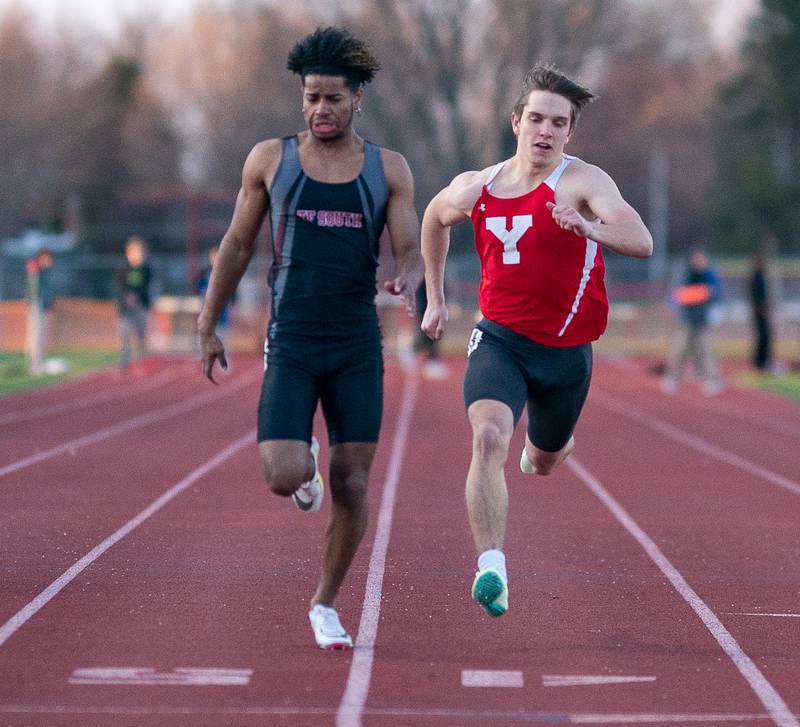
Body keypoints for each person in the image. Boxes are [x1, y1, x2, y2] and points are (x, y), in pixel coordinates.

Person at [197, 27, 421, 650]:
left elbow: (409, 250)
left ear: (358, 100)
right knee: (281, 473)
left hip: (355, 343)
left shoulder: (388, 169)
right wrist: (207, 322)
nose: (320, 110)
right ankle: (304, 471)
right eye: (311, 99)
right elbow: (238, 245)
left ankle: (324, 604)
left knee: (355, 481)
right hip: (292, 339)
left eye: (332, 99)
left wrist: (408, 276)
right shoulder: (271, 160)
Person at [420, 64, 652, 618]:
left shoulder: (585, 182)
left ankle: (546, 448)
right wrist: (435, 297)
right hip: (499, 339)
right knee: (487, 438)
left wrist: (589, 228)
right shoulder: (479, 186)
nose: (546, 131)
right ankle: (492, 567)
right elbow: (433, 215)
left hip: (567, 354)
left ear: (570, 132)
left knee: (544, 459)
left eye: (559, 123)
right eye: (537, 119)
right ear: (516, 122)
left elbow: (640, 239)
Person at [662, 249, 723, 395]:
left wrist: (695, 294)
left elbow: (713, 293)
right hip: (686, 319)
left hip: (702, 319)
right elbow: (678, 295)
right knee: (679, 350)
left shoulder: (710, 274)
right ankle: (672, 378)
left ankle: (711, 380)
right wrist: (699, 293)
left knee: (705, 350)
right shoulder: (686, 274)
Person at [117, 236, 152, 372]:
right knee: (125, 333)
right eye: (135, 251)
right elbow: (120, 287)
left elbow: (147, 286)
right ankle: (124, 361)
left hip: (141, 306)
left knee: (141, 335)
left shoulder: (146, 269)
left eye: (139, 251)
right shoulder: (123, 268)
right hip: (126, 308)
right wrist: (127, 298)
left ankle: (141, 361)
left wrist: (137, 297)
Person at [196, 246, 234, 355]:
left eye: (217, 256)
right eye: (213, 256)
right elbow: (199, 288)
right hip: (207, 311)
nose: (215, 258)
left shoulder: (227, 272)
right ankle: (204, 356)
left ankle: (224, 359)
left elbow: (232, 290)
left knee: (223, 336)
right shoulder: (204, 273)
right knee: (205, 335)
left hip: (222, 311)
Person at [750, 246, 773, 372]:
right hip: (760, 311)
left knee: (764, 336)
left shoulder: (759, 276)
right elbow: (757, 295)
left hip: (760, 310)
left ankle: (762, 361)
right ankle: (760, 362)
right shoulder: (757, 276)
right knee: (763, 336)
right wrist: (762, 309)